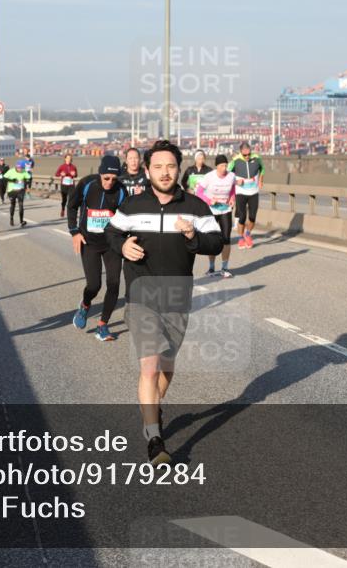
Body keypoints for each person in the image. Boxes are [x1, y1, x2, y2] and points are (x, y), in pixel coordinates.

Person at [105, 140, 224, 465]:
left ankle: (152, 409)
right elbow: (111, 233)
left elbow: (216, 242)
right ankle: (155, 439)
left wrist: (192, 237)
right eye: (157, 166)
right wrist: (122, 247)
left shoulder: (196, 207)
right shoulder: (132, 206)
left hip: (177, 296)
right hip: (142, 295)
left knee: (167, 367)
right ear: (147, 170)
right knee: (150, 364)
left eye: (170, 166)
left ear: (178, 168)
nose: (164, 172)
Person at [68, 155, 128, 341]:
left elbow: (126, 218)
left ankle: (102, 325)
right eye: (106, 178)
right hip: (89, 243)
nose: (110, 182)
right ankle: (85, 305)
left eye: (114, 179)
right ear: (100, 173)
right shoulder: (87, 184)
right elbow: (72, 206)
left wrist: (126, 240)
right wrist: (75, 232)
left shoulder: (121, 191)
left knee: (114, 284)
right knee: (94, 285)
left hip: (112, 244)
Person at [196, 154, 237, 277]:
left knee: (226, 239)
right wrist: (209, 201)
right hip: (211, 211)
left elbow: (233, 188)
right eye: (221, 166)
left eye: (225, 165)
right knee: (212, 239)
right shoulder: (209, 177)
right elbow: (198, 192)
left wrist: (232, 198)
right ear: (217, 166)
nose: (224, 168)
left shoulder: (231, 176)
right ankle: (212, 268)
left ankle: (225, 268)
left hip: (225, 210)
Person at [228, 142, 264, 249]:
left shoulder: (257, 158)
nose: (247, 157)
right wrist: (236, 181)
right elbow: (227, 175)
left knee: (252, 216)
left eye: (249, 154)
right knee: (242, 217)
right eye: (245, 155)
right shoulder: (235, 161)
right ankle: (240, 238)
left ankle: (247, 234)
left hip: (253, 192)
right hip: (241, 192)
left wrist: (261, 180)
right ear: (240, 153)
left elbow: (262, 169)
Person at [3, 159, 31, 227]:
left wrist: (27, 185)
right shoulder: (11, 171)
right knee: (13, 205)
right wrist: (12, 180)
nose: (20, 169)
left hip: (20, 190)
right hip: (11, 191)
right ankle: (11, 218)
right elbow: (4, 178)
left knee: (21, 205)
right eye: (18, 168)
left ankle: (21, 221)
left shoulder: (24, 171)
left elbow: (29, 178)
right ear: (16, 167)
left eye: (21, 168)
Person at [55, 153, 79, 218]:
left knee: (71, 199)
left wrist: (74, 174)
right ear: (65, 159)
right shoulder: (62, 166)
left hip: (71, 185)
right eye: (67, 158)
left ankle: (70, 212)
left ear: (71, 159)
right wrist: (61, 174)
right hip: (64, 185)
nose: (69, 159)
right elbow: (56, 174)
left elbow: (76, 175)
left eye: (70, 158)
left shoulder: (73, 166)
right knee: (64, 200)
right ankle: (63, 209)